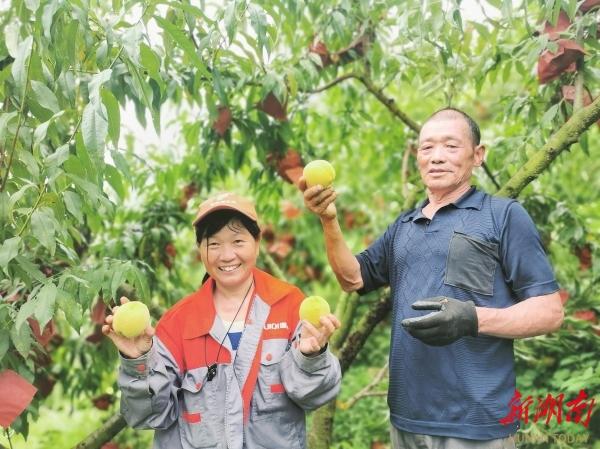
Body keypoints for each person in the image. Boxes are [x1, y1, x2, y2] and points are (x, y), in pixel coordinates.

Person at [300, 108, 564, 449]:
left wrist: (473, 318)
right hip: (406, 419)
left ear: (478, 156)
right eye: (427, 148)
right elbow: (353, 278)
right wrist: (328, 219)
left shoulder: (502, 216)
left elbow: (550, 312)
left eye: (451, 146)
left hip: (477, 422)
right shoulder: (404, 226)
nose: (437, 157)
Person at [103, 192, 342, 449]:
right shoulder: (179, 322)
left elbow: (314, 397)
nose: (226, 256)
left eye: (238, 241)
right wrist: (139, 363)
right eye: (214, 244)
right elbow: (150, 415)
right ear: (200, 249)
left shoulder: (288, 304)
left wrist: (311, 358)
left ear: (257, 241)